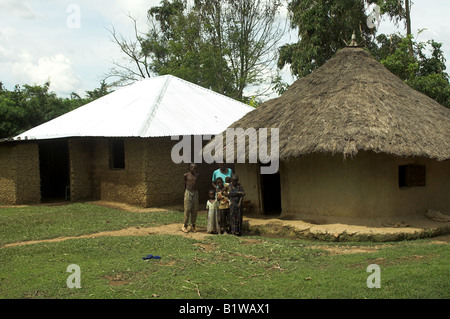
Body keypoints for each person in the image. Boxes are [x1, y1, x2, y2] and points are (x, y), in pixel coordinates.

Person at [182, 163, 199, 233]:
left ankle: (193, 224)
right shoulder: (186, 175)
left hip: (195, 192)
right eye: (192, 168)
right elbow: (184, 184)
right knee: (187, 209)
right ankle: (185, 224)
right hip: (188, 192)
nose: (193, 169)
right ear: (190, 168)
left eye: (195, 168)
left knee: (194, 209)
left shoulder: (197, 176)